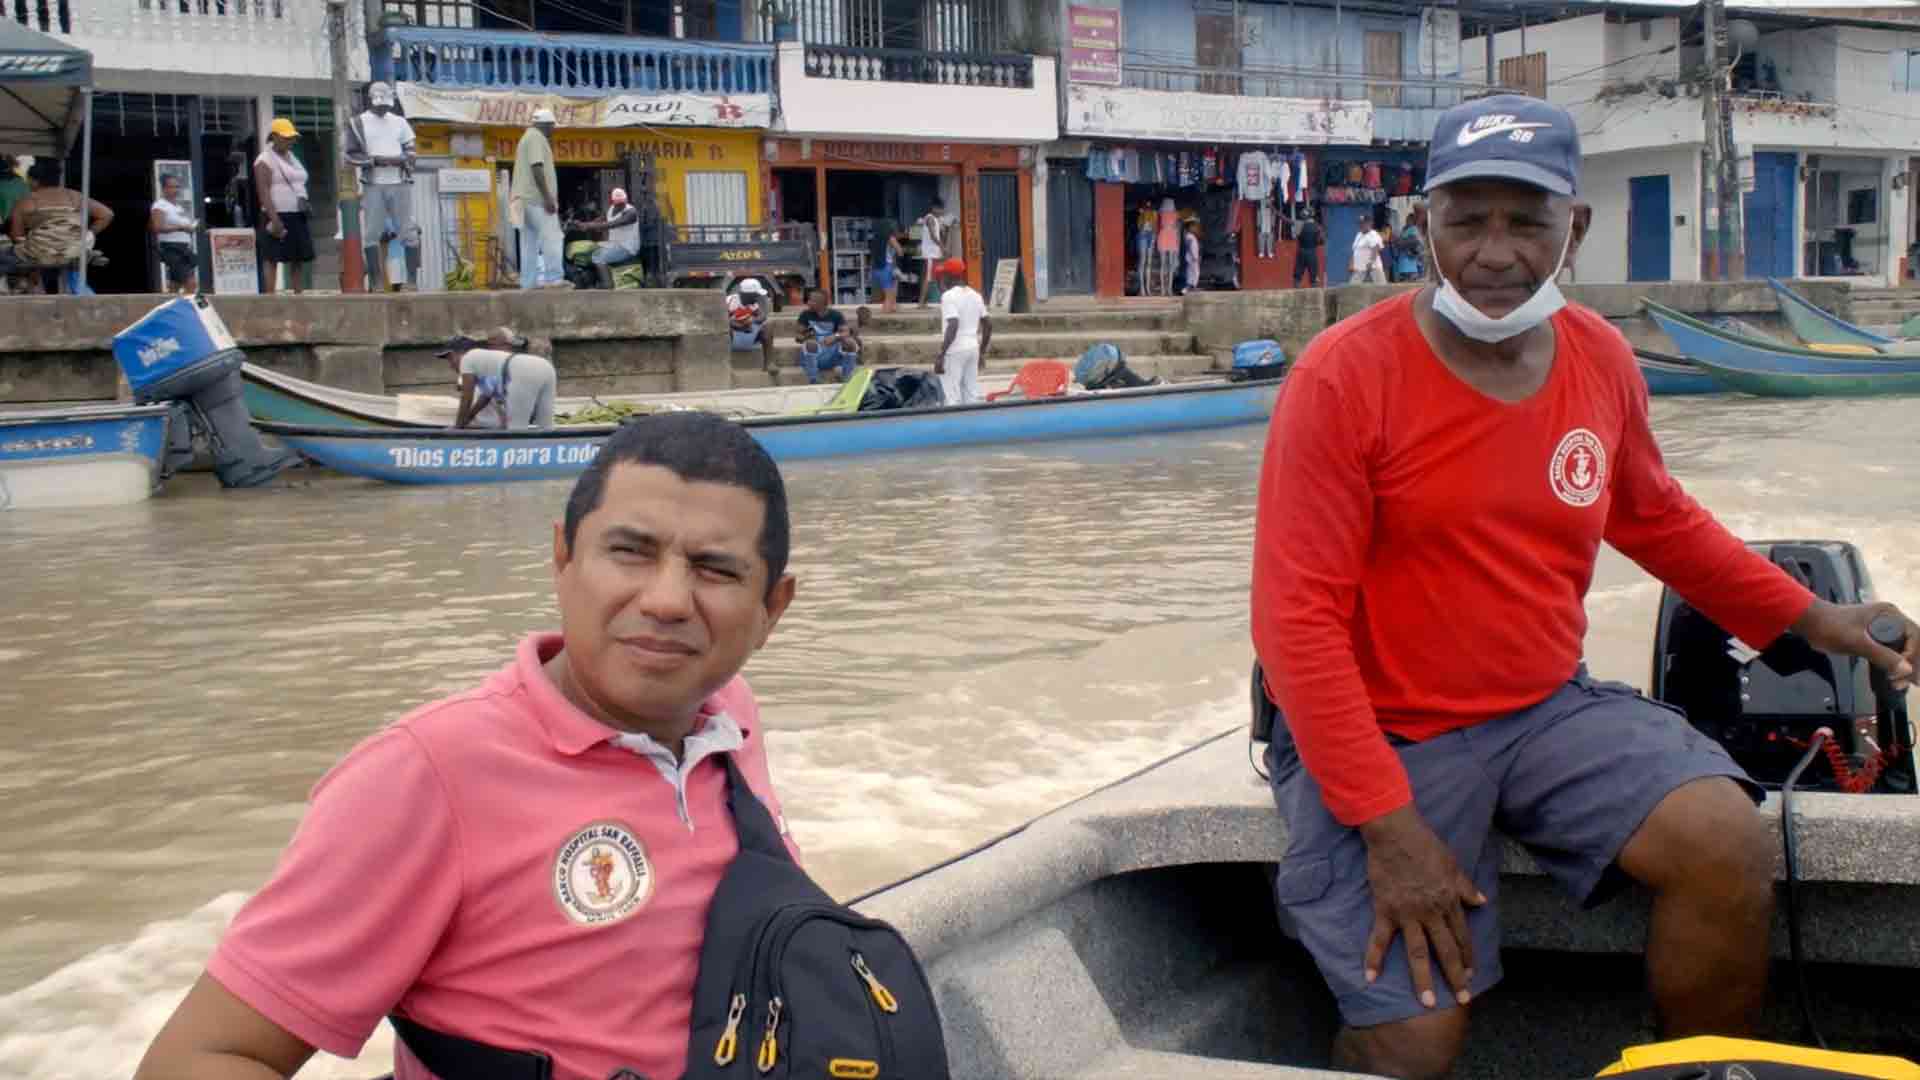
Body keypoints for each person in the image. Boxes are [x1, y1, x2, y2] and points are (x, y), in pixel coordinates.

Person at [1250, 93, 1920, 1080]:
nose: (1493, 252)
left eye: (1527, 221)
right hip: (1385, 731)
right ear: (1422, 225)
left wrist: (1818, 619)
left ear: (1577, 229)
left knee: (1724, 843)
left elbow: (1656, 518)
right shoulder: (1344, 379)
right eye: (1464, 219)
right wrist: (1387, 828)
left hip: (1541, 709)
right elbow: (1294, 624)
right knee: (1415, 1040)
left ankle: (1690, 1070)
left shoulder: (1600, 358)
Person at [134, 412, 802, 1080]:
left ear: (772, 608)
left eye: (714, 570)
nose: (665, 600)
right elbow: (196, 1059)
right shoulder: (429, 774)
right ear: (563, 560)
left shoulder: (727, 716)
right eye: (630, 551)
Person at [346, 80, 419, 292]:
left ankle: (412, 281)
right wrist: (375, 161)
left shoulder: (400, 122)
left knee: (408, 231)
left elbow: (412, 153)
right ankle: (377, 282)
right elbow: (350, 155)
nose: (383, 108)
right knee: (371, 234)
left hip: (400, 182)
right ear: (371, 100)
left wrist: (400, 160)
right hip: (373, 184)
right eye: (380, 104)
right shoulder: (357, 123)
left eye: (387, 104)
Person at [9, 157, 112, 295]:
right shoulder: (74, 196)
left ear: (35, 181)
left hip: (41, 251)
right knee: (74, 254)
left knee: (8, 255)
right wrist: (89, 234)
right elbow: (107, 214)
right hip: (73, 249)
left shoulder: (25, 202)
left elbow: (17, 236)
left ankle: (32, 288)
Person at [441, 332, 558, 429]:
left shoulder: (467, 359)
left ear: (459, 353)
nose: (450, 365)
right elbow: (485, 397)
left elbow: (466, 398)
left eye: (450, 359)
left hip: (524, 372)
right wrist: (467, 419)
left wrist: (457, 429)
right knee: (546, 428)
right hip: (546, 367)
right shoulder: (486, 363)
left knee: (516, 431)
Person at [512, 107, 570, 290]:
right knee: (552, 236)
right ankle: (555, 279)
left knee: (529, 243)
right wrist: (547, 198)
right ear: (546, 124)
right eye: (552, 126)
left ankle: (528, 283)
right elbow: (537, 167)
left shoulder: (525, 138)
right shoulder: (537, 137)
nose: (553, 129)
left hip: (522, 199)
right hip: (536, 199)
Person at [254, 118, 313, 295]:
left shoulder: (292, 157)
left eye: (292, 138)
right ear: (275, 137)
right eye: (286, 138)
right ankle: (270, 296)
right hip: (276, 213)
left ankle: (298, 292)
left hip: (296, 213)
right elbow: (263, 192)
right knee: (272, 257)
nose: (290, 141)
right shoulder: (264, 160)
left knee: (298, 256)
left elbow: (299, 181)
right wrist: (274, 219)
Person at [934, 257, 990, 405]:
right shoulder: (975, 295)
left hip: (955, 350)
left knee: (951, 397)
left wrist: (941, 354)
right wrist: (982, 351)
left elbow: (953, 325)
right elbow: (988, 324)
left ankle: (953, 427)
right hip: (973, 348)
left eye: (943, 275)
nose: (942, 278)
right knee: (971, 395)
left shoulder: (948, 297)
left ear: (949, 276)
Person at [571, 186, 642, 289]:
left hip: (627, 247)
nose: (620, 203)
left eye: (622, 201)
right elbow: (599, 221)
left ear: (626, 200)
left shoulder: (631, 212)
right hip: (613, 244)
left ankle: (607, 285)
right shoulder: (611, 209)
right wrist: (582, 224)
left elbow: (612, 224)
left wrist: (589, 226)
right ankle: (592, 281)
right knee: (586, 252)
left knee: (598, 257)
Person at [150, 173, 202, 295]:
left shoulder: (178, 207)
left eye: (177, 187)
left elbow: (183, 225)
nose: (175, 190)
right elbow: (157, 227)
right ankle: (189, 309)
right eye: (172, 187)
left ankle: (169, 307)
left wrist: (190, 228)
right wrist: (181, 227)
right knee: (191, 283)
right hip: (171, 248)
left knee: (175, 285)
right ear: (164, 189)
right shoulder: (160, 205)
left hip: (183, 247)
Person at [794, 287, 861, 384]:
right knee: (810, 344)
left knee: (850, 343)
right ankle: (814, 379)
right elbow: (798, 335)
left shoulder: (836, 315)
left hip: (832, 353)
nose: (808, 302)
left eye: (812, 300)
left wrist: (835, 336)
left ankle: (847, 377)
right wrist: (805, 337)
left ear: (820, 303)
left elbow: (846, 332)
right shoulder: (805, 315)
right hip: (814, 354)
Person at [727, 277, 776, 375]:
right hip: (732, 337)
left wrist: (752, 321)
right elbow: (722, 321)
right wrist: (740, 326)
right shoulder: (730, 301)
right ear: (746, 294)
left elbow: (762, 317)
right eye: (756, 295)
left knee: (768, 327)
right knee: (725, 329)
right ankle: (725, 366)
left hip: (750, 335)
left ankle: (769, 363)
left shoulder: (756, 303)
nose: (758, 297)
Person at [915, 199, 946, 308]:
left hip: (935, 254)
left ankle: (948, 301)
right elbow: (933, 236)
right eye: (941, 209)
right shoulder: (930, 218)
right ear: (934, 208)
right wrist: (943, 247)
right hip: (930, 255)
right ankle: (921, 303)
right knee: (928, 279)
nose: (942, 212)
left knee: (940, 278)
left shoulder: (935, 220)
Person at [1349, 217, 1387, 285]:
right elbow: (1355, 250)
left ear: (1370, 223)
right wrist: (1352, 263)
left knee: (1381, 288)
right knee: (1353, 287)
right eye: (1360, 223)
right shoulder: (1359, 235)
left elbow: (1376, 248)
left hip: (1373, 268)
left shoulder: (1373, 234)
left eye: (1363, 223)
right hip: (1359, 268)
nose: (1361, 225)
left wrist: (1371, 262)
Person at [1292, 209, 1322, 287]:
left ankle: (1296, 292)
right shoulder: (1317, 226)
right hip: (1311, 252)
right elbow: (1320, 241)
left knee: (1297, 276)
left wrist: (1274, 210)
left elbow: (1285, 219)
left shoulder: (1299, 224)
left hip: (1301, 252)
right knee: (1313, 276)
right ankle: (1314, 293)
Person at [1182, 220, 1202, 295]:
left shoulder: (1190, 236)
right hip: (1192, 257)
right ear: (1189, 228)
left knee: (1193, 272)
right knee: (1194, 272)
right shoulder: (1189, 236)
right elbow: (1191, 247)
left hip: (1192, 257)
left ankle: (1191, 287)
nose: (1195, 228)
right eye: (1193, 227)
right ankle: (1190, 287)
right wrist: (1194, 256)